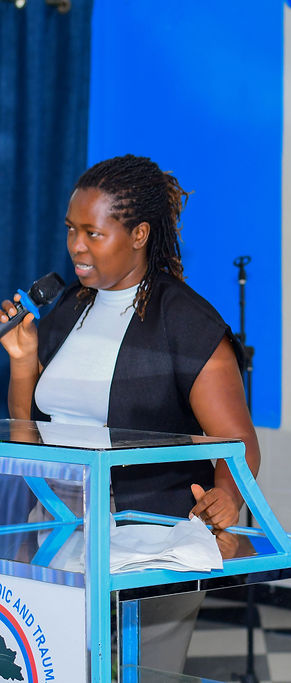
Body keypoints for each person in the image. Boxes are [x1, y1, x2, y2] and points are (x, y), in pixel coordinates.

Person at [0, 154, 260, 673]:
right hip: (55, 523)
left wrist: (227, 498)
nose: (76, 246)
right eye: (71, 230)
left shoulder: (186, 322)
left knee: (148, 674)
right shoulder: (69, 308)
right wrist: (24, 364)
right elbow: (28, 432)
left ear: (139, 234)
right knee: (53, 667)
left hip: (152, 536)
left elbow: (239, 441)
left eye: (93, 233)